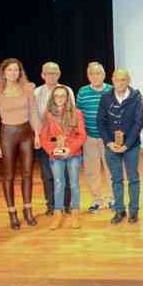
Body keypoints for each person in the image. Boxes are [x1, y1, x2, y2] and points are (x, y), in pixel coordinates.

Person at [0, 58, 40, 229]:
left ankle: (28, 209)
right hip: (7, 135)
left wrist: (37, 134)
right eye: (10, 70)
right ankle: (12, 213)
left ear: (20, 72)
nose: (13, 73)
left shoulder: (27, 88)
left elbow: (33, 112)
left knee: (28, 173)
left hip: (26, 134)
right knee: (9, 175)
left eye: (16, 70)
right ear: (3, 72)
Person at [97, 68, 143, 225]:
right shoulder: (105, 98)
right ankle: (119, 210)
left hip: (132, 146)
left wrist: (127, 144)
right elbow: (100, 122)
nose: (120, 83)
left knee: (133, 179)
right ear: (112, 80)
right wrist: (109, 142)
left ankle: (134, 211)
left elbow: (138, 122)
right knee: (116, 179)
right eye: (117, 80)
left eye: (123, 80)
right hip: (111, 147)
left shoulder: (136, 97)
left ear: (128, 81)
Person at [39, 85, 86, 230]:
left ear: (67, 98)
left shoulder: (77, 113)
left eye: (62, 96)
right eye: (57, 96)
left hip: (73, 154)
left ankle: (75, 212)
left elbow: (82, 136)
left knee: (74, 184)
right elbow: (44, 137)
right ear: (53, 98)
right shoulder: (48, 115)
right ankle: (57, 214)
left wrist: (70, 149)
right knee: (59, 184)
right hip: (56, 154)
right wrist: (53, 151)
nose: (59, 98)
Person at [33, 62, 74, 217]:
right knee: (47, 175)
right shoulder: (37, 93)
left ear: (59, 74)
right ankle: (51, 205)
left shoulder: (67, 90)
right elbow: (34, 117)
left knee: (66, 173)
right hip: (45, 140)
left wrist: (67, 139)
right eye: (49, 73)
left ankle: (67, 204)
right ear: (42, 75)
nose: (52, 76)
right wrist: (37, 135)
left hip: (64, 139)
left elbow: (72, 114)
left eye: (55, 73)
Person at [76, 62, 113, 213]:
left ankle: (113, 199)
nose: (95, 76)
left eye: (98, 73)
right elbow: (78, 114)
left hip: (108, 139)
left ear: (103, 75)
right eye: (91, 73)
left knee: (112, 169)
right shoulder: (83, 92)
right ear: (88, 76)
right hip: (89, 138)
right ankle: (97, 200)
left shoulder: (111, 90)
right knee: (92, 171)